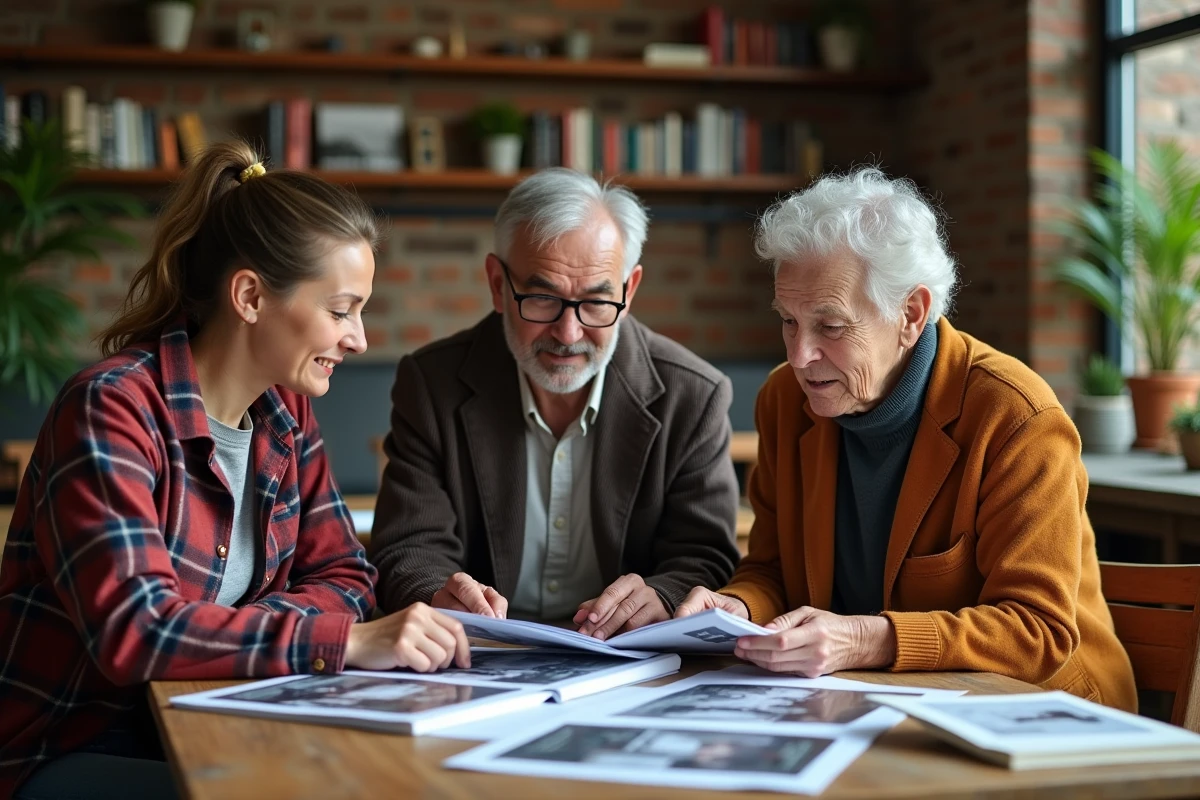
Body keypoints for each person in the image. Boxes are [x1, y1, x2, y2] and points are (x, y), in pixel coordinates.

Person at [0, 142, 470, 799]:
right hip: (74, 750)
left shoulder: (286, 414)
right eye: (340, 310)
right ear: (250, 296)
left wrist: (261, 628)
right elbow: (136, 631)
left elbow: (345, 574)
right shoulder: (112, 408)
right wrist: (339, 640)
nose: (359, 338)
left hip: (226, 712)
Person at [675, 167, 1136, 711]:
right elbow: (770, 569)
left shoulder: (1014, 416)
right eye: (789, 322)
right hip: (878, 703)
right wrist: (738, 609)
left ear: (911, 315)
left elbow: (1038, 633)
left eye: (830, 325)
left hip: (1041, 716)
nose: (799, 357)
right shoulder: (785, 402)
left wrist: (866, 637)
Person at [371, 168, 740, 639]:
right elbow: (408, 547)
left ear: (630, 291)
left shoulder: (694, 395)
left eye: (595, 303)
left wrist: (664, 595)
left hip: (627, 661)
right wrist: (438, 593)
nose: (569, 334)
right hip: (480, 654)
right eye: (543, 298)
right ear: (497, 285)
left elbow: (705, 556)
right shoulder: (432, 384)